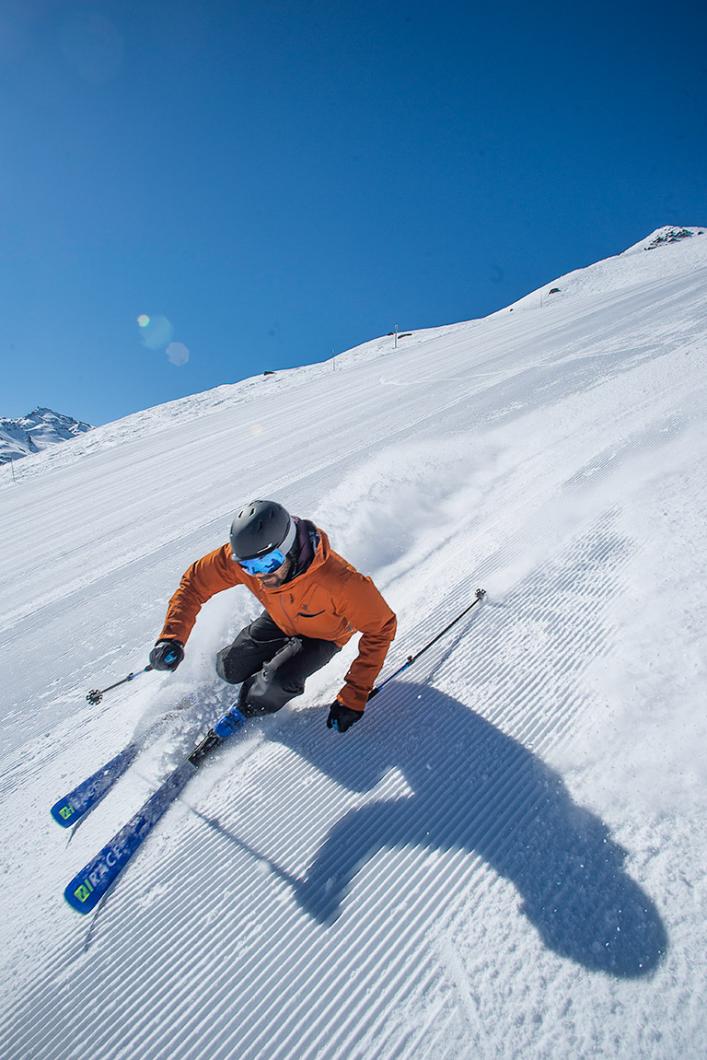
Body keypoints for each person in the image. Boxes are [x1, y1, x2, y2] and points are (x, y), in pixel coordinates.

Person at [149, 499, 397, 732]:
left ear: (288, 548)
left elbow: (381, 627)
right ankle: (239, 673)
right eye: (249, 567)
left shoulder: (340, 582)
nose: (259, 575)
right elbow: (194, 583)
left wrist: (354, 695)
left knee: (273, 687)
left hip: (324, 636)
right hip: (280, 619)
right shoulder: (252, 557)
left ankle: (251, 703)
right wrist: (172, 637)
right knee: (229, 668)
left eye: (267, 564)